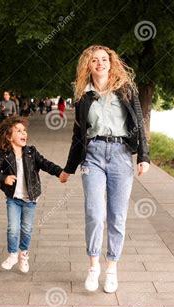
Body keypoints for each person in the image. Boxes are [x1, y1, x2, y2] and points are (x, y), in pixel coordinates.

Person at [61, 45, 150, 293]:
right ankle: (93, 267)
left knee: (117, 216)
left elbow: (139, 124)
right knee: (94, 213)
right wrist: (69, 168)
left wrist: (144, 156)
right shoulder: (82, 96)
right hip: (93, 156)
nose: (99, 63)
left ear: (111, 63)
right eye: (94, 60)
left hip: (121, 155)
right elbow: (78, 135)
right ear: (87, 66)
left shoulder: (125, 90)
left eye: (103, 59)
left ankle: (111, 269)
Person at [0, 117, 67, 273]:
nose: (23, 133)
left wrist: (59, 172)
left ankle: (23, 255)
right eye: (18, 131)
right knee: (12, 228)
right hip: (13, 199)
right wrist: (4, 178)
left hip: (30, 199)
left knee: (26, 228)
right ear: (9, 137)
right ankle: (12, 254)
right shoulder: (4, 156)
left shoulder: (31, 152)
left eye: (24, 130)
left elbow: (45, 164)